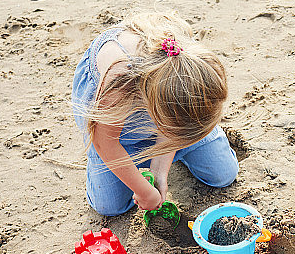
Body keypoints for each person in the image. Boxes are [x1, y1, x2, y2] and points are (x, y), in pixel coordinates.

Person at [71, 12, 238, 216]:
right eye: (176, 129)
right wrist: (144, 191)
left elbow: (174, 121)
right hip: (114, 126)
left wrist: (159, 172)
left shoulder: (187, 63)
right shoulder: (119, 78)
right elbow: (104, 141)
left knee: (223, 174)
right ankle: (134, 153)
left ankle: (177, 141)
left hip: (167, 106)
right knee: (110, 207)